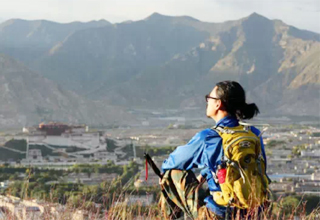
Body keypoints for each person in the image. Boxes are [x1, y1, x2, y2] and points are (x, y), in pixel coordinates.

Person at [159, 81, 268, 220]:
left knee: (169, 175)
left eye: (209, 98)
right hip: (254, 212)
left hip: (220, 214)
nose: (207, 102)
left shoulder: (208, 137)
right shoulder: (253, 133)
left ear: (218, 104)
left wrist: (164, 172)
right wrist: (205, 173)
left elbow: (173, 162)